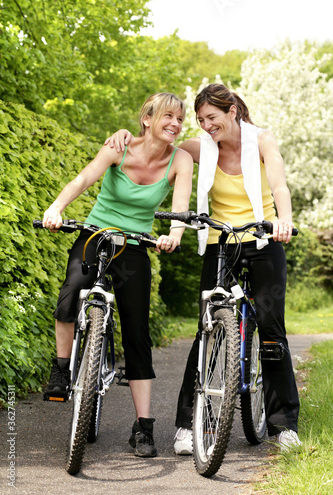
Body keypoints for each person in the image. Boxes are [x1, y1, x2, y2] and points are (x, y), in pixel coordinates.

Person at [105, 83, 301, 455]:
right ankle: (187, 425)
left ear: (232, 112)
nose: (206, 126)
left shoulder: (262, 141)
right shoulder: (201, 148)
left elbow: (279, 185)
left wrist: (284, 220)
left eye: (211, 118)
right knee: (207, 328)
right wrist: (126, 134)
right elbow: (158, 145)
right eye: (200, 120)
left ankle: (283, 425)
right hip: (220, 243)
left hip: (263, 240)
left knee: (273, 330)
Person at [42, 92, 193, 458]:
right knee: (71, 291)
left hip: (136, 245)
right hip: (95, 234)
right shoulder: (118, 146)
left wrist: (172, 236)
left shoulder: (181, 160)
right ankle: (62, 370)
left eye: (179, 118)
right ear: (147, 118)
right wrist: (57, 207)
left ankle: (143, 428)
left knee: (138, 334)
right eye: (168, 116)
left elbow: (180, 209)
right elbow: (83, 179)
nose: (175, 123)